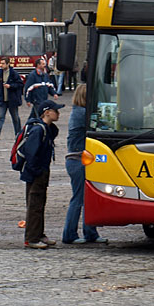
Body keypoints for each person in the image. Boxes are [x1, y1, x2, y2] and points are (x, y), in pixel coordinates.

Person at [62, 84, 107, 245]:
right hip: (77, 160)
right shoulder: (82, 113)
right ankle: (69, 234)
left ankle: (90, 232)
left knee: (86, 197)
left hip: (77, 159)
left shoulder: (78, 111)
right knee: (79, 198)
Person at [20, 99, 63, 249]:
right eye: (55, 111)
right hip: (36, 172)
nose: (58, 113)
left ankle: (39, 234)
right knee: (34, 205)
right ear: (47, 112)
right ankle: (31, 238)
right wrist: (37, 171)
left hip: (41, 170)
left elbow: (54, 133)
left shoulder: (47, 128)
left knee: (40, 203)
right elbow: (31, 154)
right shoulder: (38, 130)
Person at [0, 57, 24, 140]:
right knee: (1, 117)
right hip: (3, 99)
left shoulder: (14, 73)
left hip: (12, 99)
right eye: (0, 63)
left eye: (3, 63)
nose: (1, 65)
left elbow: (20, 84)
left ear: (8, 64)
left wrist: (11, 86)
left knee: (15, 118)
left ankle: (18, 134)